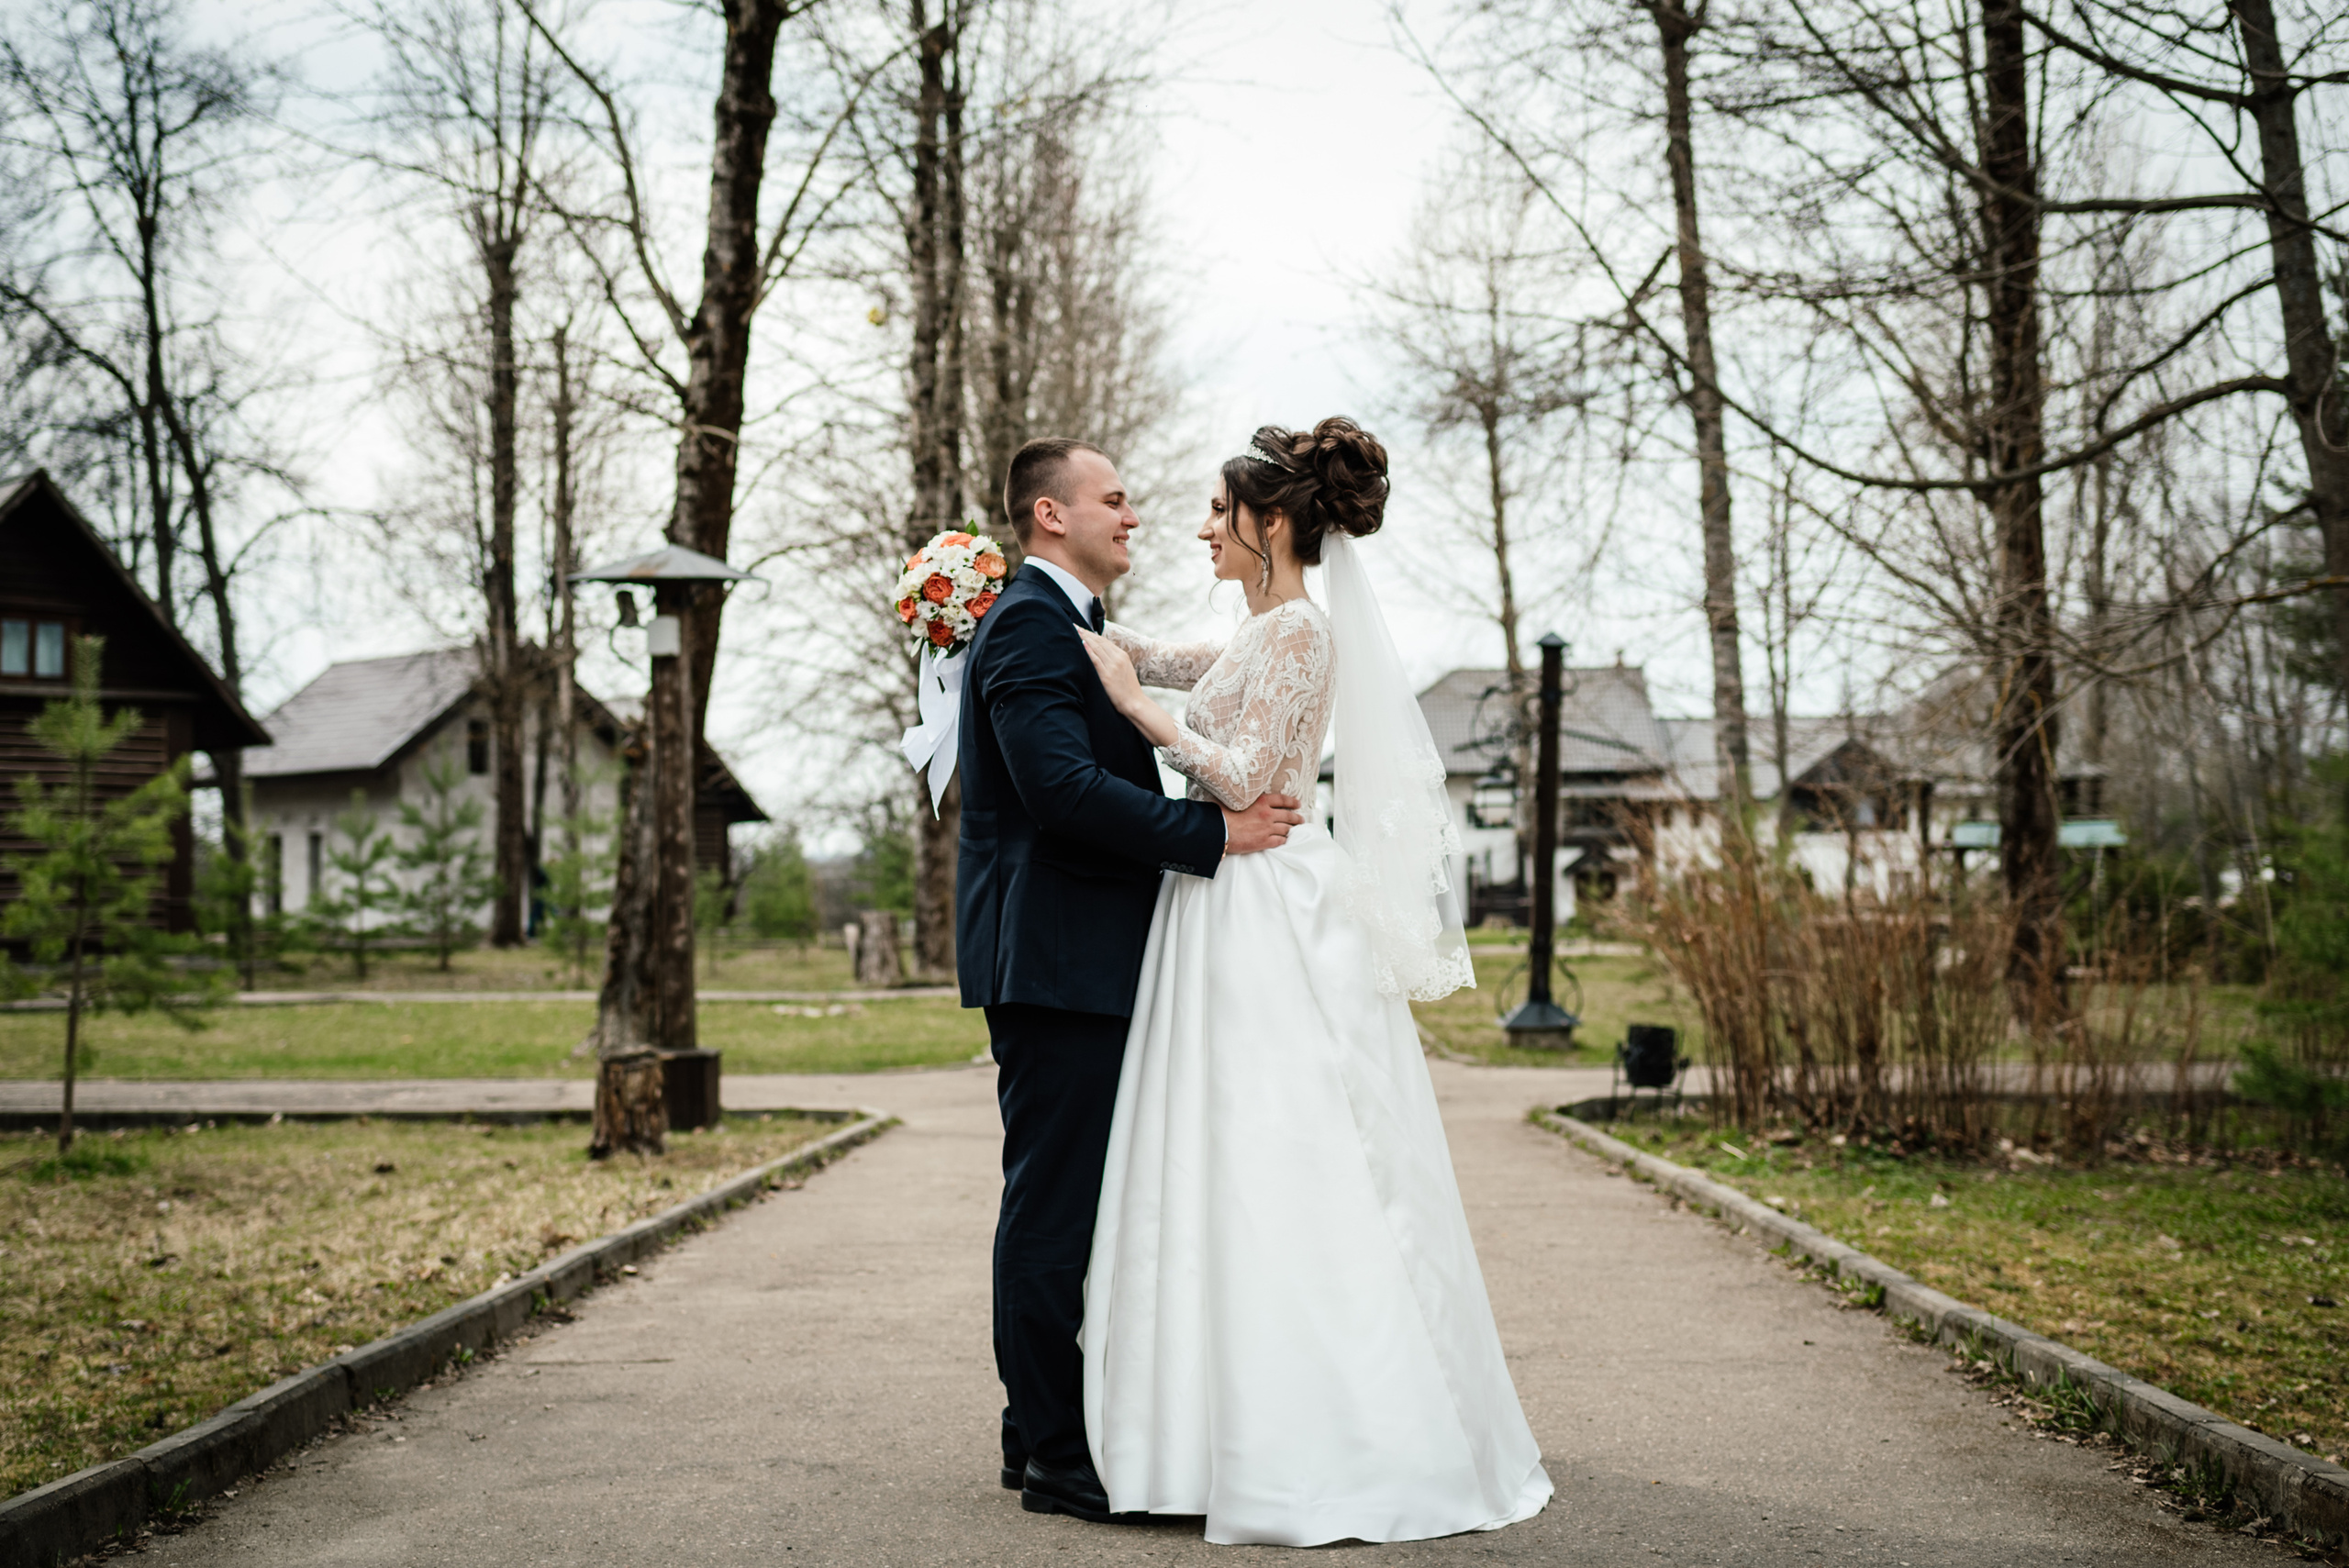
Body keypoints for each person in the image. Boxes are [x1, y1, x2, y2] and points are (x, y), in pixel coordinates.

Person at [1074, 418, 1553, 1546]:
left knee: (1283, 1139)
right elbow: (1159, 654)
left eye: (1218, 511)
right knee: (1217, 1142)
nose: (1202, 528)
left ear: (1271, 522)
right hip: (1222, 900)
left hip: (1267, 901)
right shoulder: (1257, 630)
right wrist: (1028, 604)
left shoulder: (1298, 630)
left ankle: (1328, 1424)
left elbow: (1245, 776)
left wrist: (1135, 705)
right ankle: (1211, 1426)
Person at [954, 437, 1306, 1524]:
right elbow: (1059, 789)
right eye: (1113, 498)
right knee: (1054, 1207)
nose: (1135, 515)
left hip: (1090, 953)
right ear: (1050, 515)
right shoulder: (1028, 623)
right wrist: (1213, 834)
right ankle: (1056, 1455)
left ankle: (1037, 1432)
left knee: (1082, 1202)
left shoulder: (1079, 623)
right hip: (1056, 960)